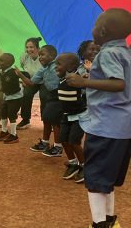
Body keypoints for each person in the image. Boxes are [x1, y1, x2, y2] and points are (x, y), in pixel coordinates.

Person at [66, 8, 131, 228]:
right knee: (106, 180)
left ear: (103, 31)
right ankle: (109, 221)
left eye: (95, 25)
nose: (93, 28)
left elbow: (118, 83)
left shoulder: (107, 54)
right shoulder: (128, 54)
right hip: (124, 126)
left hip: (106, 126)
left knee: (96, 179)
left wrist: (83, 82)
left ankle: (99, 225)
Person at [18, 45, 63, 157]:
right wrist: (20, 75)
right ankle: (45, 143)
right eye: (39, 56)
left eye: (42, 55)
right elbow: (30, 83)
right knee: (46, 118)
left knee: (55, 121)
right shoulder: (43, 69)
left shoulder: (59, 65)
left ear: (53, 56)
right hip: (51, 96)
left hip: (59, 96)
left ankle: (58, 147)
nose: (40, 58)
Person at [55, 53, 87, 183]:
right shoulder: (62, 78)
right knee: (63, 139)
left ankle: (85, 166)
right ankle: (73, 163)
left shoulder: (76, 79)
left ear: (71, 67)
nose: (55, 67)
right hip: (66, 116)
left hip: (80, 117)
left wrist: (86, 77)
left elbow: (86, 85)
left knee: (74, 141)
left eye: (58, 64)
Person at [0, 53, 24, 144]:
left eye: (1, 61)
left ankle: (14, 135)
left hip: (15, 97)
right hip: (7, 97)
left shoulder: (13, 71)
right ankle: (4, 132)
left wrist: (23, 77)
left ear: (8, 64)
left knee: (11, 114)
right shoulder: (2, 72)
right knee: (3, 113)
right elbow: (7, 83)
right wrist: (2, 89)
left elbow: (22, 76)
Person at [17, 37, 43, 129]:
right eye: (27, 47)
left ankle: (47, 121)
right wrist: (25, 80)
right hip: (30, 81)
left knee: (45, 97)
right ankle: (25, 120)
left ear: (38, 48)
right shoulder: (24, 57)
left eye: (31, 47)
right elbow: (24, 70)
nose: (29, 50)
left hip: (43, 81)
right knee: (26, 95)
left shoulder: (42, 57)